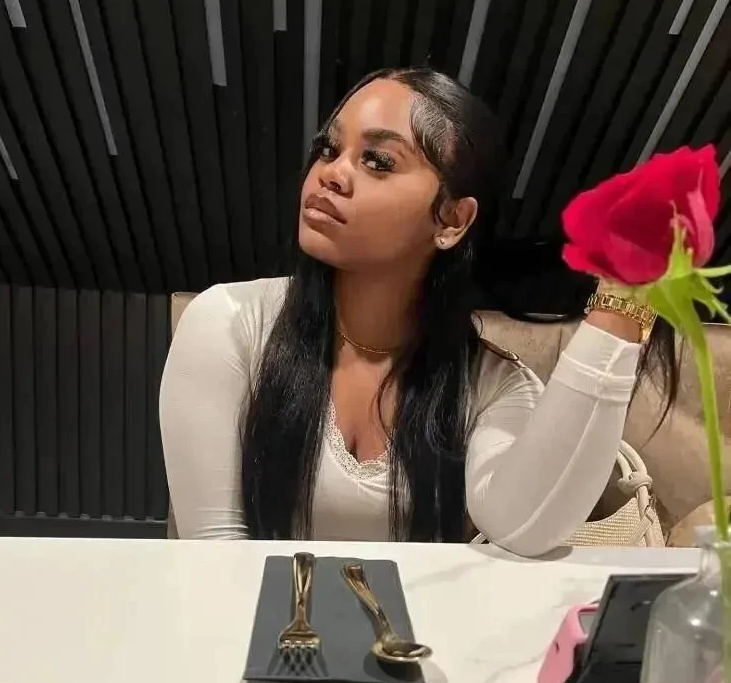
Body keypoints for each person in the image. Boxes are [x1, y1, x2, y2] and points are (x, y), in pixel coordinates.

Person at [160, 67, 674, 555]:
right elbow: (215, 554)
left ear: (451, 220)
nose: (331, 174)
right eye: (329, 149)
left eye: (377, 161)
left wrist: (624, 299)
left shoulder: (493, 386)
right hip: (254, 617)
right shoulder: (228, 323)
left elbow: (526, 527)